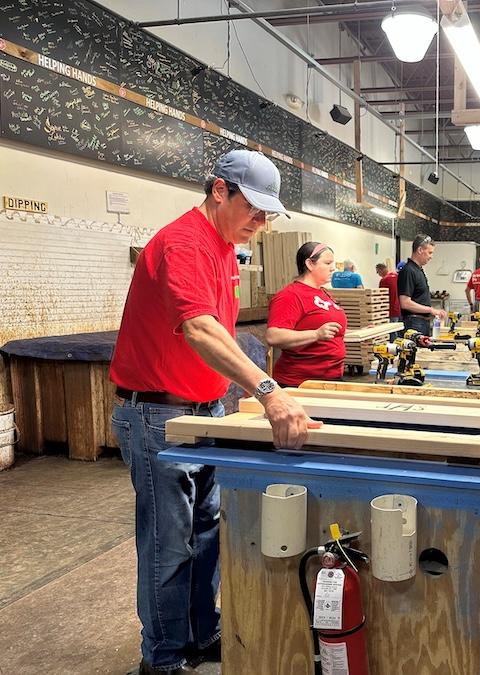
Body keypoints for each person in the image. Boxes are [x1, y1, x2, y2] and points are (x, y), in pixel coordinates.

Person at [110, 149, 318, 675]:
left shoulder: (225, 245)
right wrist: (271, 392)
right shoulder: (185, 242)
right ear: (219, 190)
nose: (262, 223)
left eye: (269, 214)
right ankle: (161, 660)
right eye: (254, 209)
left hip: (205, 412)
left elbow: (218, 335)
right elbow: (200, 329)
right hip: (160, 418)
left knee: (207, 535)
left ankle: (202, 635)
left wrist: (235, 396)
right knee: (168, 548)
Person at [266, 242, 347, 386]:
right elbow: (274, 336)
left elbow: (325, 328)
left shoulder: (323, 293)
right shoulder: (291, 295)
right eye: (327, 263)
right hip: (300, 383)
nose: (333, 268)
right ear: (310, 264)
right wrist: (316, 335)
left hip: (330, 379)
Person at [398, 234, 446, 335]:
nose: (431, 257)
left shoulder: (418, 270)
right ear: (420, 250)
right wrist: (431, 310)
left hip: (421, 322)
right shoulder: (408, 271)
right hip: (414, 323)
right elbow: (405, 303)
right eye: (429, 253)